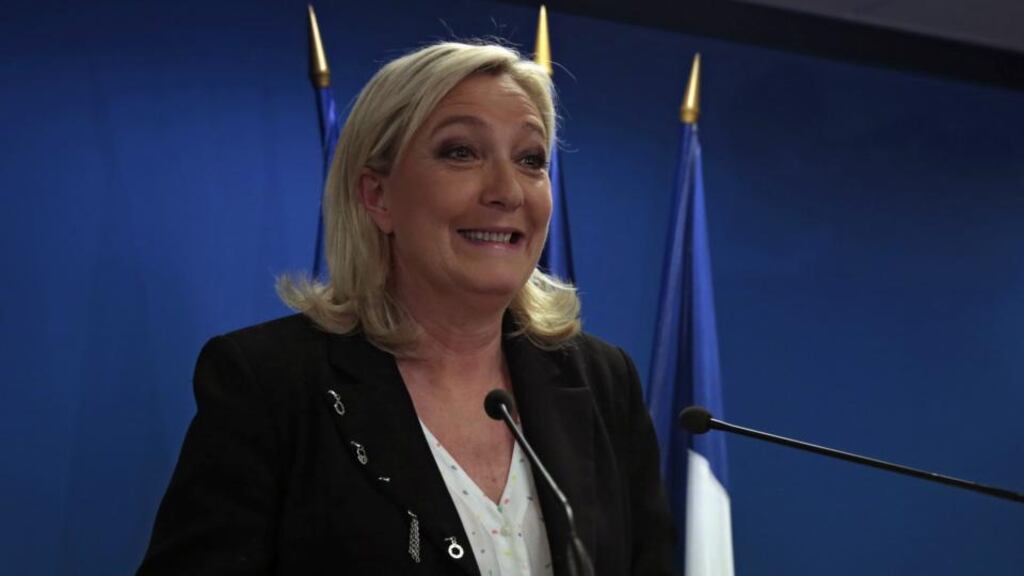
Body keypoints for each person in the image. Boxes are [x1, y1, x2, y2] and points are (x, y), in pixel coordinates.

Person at [137, 41, 674, 575]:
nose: (508, 191)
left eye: (530, 159)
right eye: (461, 152)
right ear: (377, 196)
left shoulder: (604, 383)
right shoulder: (269, 384)